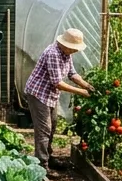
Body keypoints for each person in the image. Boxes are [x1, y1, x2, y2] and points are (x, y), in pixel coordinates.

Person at [23, 28, 92, 168]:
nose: (75, 51)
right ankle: (42, 164)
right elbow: (58, 83)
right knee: (44, 129)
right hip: (38, 94)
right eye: (73, 48)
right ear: (66, 45)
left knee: (53, 125)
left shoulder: (66, 53)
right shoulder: (53, 53)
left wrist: (87, 85)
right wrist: (81, 92)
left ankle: (48, 156)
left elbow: (72, 73)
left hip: (50, 95)